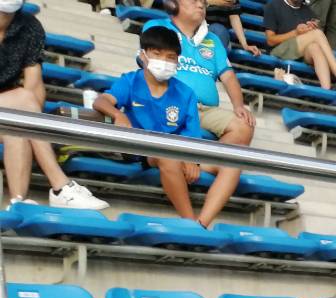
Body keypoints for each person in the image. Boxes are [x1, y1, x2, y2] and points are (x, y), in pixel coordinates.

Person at [94, 25, 240, 227]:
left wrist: (191, 159)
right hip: (142, 150)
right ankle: (189, 223)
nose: (164, 61)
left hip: (176, 150)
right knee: (167, 156)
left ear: (178, 61)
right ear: (143, 55)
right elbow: (101, 101)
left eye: (170, 57)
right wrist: (118, 115)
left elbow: (192, 134)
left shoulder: (186, 93)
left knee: (232, 164)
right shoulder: (131, 80)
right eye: (157, 54)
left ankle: (201, 224)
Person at [0, 0, 107, 209]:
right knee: (22, 99)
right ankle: (60, 185)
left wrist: (30, 122)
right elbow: (26, 97)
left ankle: (18, 203)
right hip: (10, 103)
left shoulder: (30, 26)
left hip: (5, 113)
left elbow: (34, 84)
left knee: (18, 128)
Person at [145, 0, 255, 146]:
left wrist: (239, 106)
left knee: (244, 126)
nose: (200, 5)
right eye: (194, 1)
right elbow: (147, 66)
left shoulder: (214, 40)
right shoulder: (157, 27)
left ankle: (204, 160)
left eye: (203, 2)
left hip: (206, 110)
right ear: (173, 4)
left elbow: (228, 76)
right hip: (169, 102)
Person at [263, 0, 336, 91]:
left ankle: (326, 90)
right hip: (278, 51)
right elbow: (270, 41)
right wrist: (296, 33)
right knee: (317, 34)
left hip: (299, 53)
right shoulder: (273, 5)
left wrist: (310, 29)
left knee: (315, 47)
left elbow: (310, 38)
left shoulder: (307, 11)